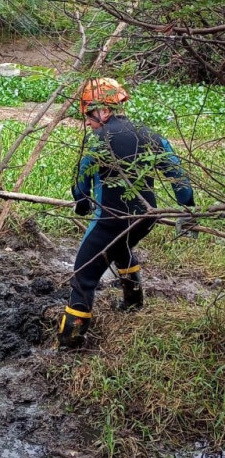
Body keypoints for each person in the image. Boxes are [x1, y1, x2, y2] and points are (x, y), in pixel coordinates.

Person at [58, 77, 196, 348]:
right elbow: (177, 173)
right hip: (146, 218)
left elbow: (81, 183)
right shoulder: (150, 134)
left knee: (84, 273)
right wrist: (187, 206)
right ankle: (133, 303)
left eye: (89, 114)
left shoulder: (99, 140)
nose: (88, 121)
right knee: (120, 247)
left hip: (111, 218)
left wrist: (82, 202)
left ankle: (69, 343)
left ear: (104, 110)